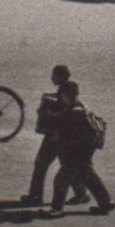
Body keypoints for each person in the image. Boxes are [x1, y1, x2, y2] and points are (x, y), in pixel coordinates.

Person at [25, 64, 87, 206]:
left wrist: (48, 113)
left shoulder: (66, 91)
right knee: (66, 165)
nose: (52, 78)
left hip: (56, 136)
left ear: (60, 77)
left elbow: (61, 113)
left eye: (54, 76)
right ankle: (81, 193)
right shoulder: (68, 89)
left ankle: (35, 196)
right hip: (62, 137)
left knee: (41, 164)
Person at [50, 81, 115, 214]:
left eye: (61, 95)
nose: (60, 97)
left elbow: (74, 135)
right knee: (88, 175)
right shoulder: (80, 106)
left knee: (61, 179)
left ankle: (57, 209)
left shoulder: (75, 113)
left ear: (66, 95)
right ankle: (106, 203)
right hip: (86, 149)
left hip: (78, 151)